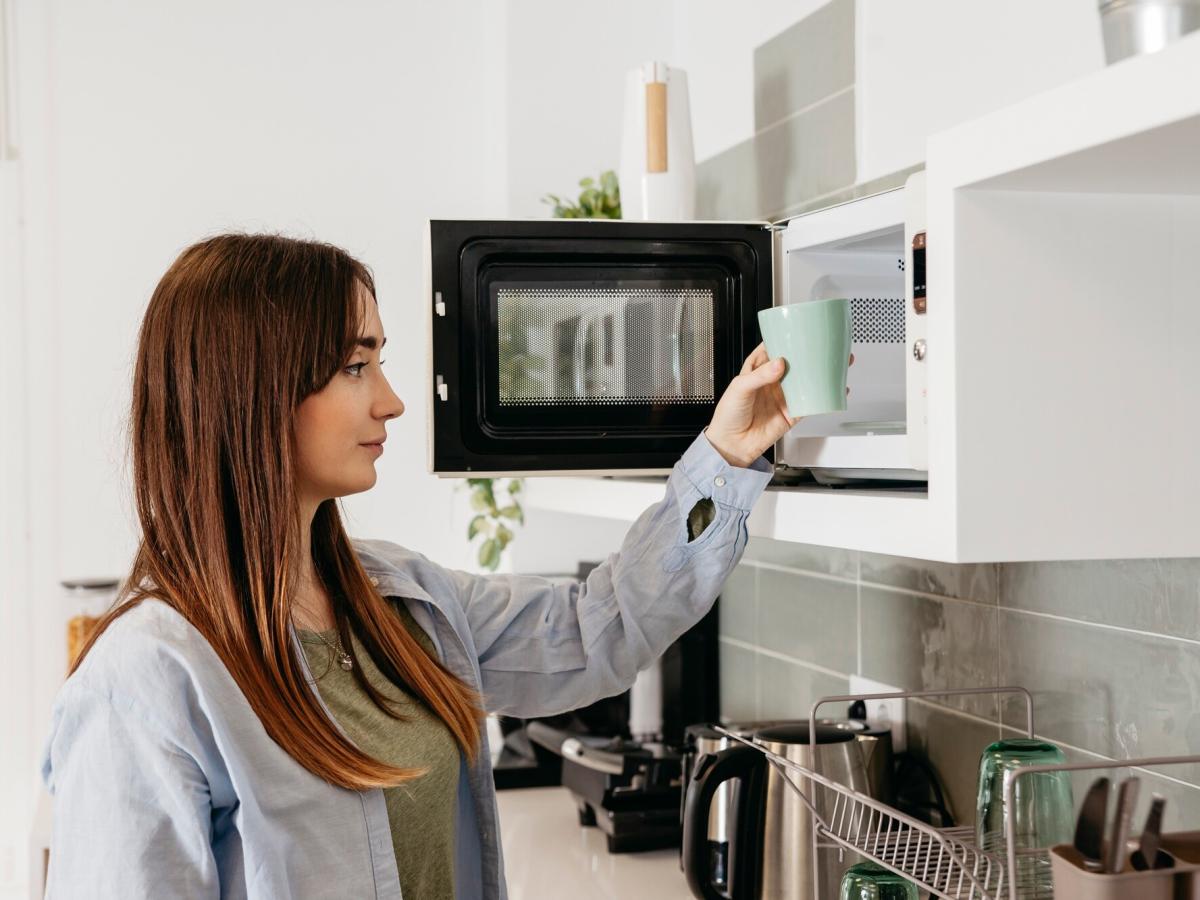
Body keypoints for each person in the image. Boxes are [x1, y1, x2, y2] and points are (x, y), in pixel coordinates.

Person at [39, 233, 844, 899]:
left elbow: (598, 630)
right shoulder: (144, 685)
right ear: (253, 392)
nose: (389, 400)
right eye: (357, 367)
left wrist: (726, 456)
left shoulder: (401, 601)